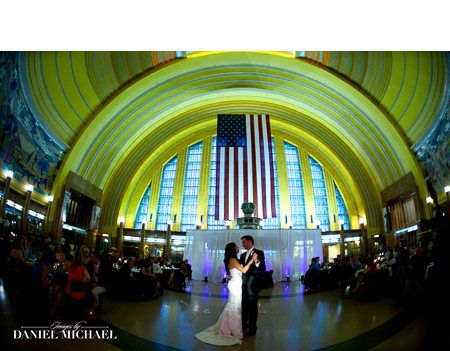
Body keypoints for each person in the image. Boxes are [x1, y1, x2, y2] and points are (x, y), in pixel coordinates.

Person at [195, 242, 258, 346]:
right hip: (235, 286)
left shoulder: (233, 259)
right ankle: (236, 332)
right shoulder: (233, 260)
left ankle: (227, 328)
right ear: (233, 249)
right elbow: (243, 270)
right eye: (236, 246)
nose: (238, 247)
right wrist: (252, 259)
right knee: (235, 308)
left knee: (232, 307)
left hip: (235, 284)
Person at [239, 235, 265, 337]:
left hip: (253, 285)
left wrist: (256, 261)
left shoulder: (259, 253)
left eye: (244, 242)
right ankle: (244, 324)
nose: (243, 244)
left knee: (253, 308)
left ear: (250, 241)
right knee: (244, 306)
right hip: (243, 285)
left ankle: (252, 328)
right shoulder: (242, 255)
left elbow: (262, 267)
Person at [32, 247, 62, 318]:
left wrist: (48, 274)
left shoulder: (37, 262)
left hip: (35, 286)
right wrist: (50, 280)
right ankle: (52, 310)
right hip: (41, 289)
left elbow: (42, 273)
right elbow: (44, 284)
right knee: (59, 290)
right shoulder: (44, 266)